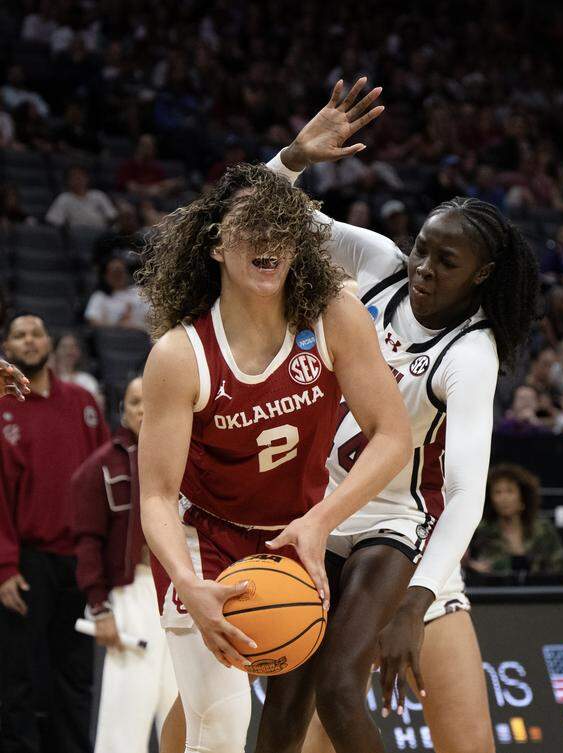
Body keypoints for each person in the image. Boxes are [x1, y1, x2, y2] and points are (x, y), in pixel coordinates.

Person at [258, 77, 539, 753]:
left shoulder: (471, 354)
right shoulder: (382, 266)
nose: (423, 268)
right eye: (421, 248)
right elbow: (264, 211)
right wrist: (294, 157)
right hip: (321, 526)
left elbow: (468, 497)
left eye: (446, 262)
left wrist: (416, 599)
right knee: (306, 729)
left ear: (481, 273)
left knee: (466, 741)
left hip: (403, 541)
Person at [137, 159, 412, 753]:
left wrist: (319, 521)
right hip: (203, 539)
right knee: (221, 728)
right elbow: (156, 495)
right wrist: (187, 584)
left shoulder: (334, 316)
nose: (267, 239)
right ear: (213, 247)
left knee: (203, 704)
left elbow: (393, 434)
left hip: (294, 536)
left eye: (281, 226)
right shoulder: (179, 354)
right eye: (248, 227)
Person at [0, 313, 109, 753]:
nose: (30, 341)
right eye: (20, 335)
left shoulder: (82, 402)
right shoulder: (2, 409)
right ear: (8, 348)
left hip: (79, 559)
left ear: (50, 342)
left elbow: (107, 480)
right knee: (17, 675)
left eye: (37, 333)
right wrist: (5, 564)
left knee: (75, 675)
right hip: (25, 560)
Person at [72, 376, 177, 753]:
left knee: (181, 707)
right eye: (136, 402)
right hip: (135, 590)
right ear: (123, 411)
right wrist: (99, 607)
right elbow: (87, 542)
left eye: (152, 399)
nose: (145, 409)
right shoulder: (100, 467)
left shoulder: (192, 457)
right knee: (126, 709)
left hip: (184, 592)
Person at [469, 464, 563, 577]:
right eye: (497, 492)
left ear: (523, 496)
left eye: (510, 491)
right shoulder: (480, 531)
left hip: (540, 591)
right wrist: (472, 567)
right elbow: (463, 564)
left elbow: (562, 567)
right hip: (495, 591)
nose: (504, 498)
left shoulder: (542, 529)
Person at [85, 255, 150, 331]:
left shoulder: (140, 292)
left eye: (120, 271)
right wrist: (120, 326)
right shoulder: (100, 296)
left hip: (144, 338)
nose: (118, 276)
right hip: (114, 339)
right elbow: (94, 323)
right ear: (105, 275)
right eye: (114, 272)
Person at [46, 166, 117, 229]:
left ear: (87, 178)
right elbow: (54, 220)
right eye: (74, 176)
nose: (78, 179)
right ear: (67, 181)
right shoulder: (64, 198)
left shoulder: (98, 194)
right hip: (77, 236)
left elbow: (112, 216)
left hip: (100, 233)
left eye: (81, 176)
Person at [117, 134, 184, 199]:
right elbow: (131, 188)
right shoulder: (127, 165)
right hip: (134, 200)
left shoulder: (156, 167)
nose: (146, 149)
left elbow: (162, 185)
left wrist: (167, 184)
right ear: (137, 147)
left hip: (156, 199)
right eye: (144, 145)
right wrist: (151, 189)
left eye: (149, 146)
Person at [53, 332, 103, 403]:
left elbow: (96, 406)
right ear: (56, 351)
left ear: (79, 352)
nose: (69, 351)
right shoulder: (49, 379)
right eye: (64, 347)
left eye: (73, 347)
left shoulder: (87, 380)